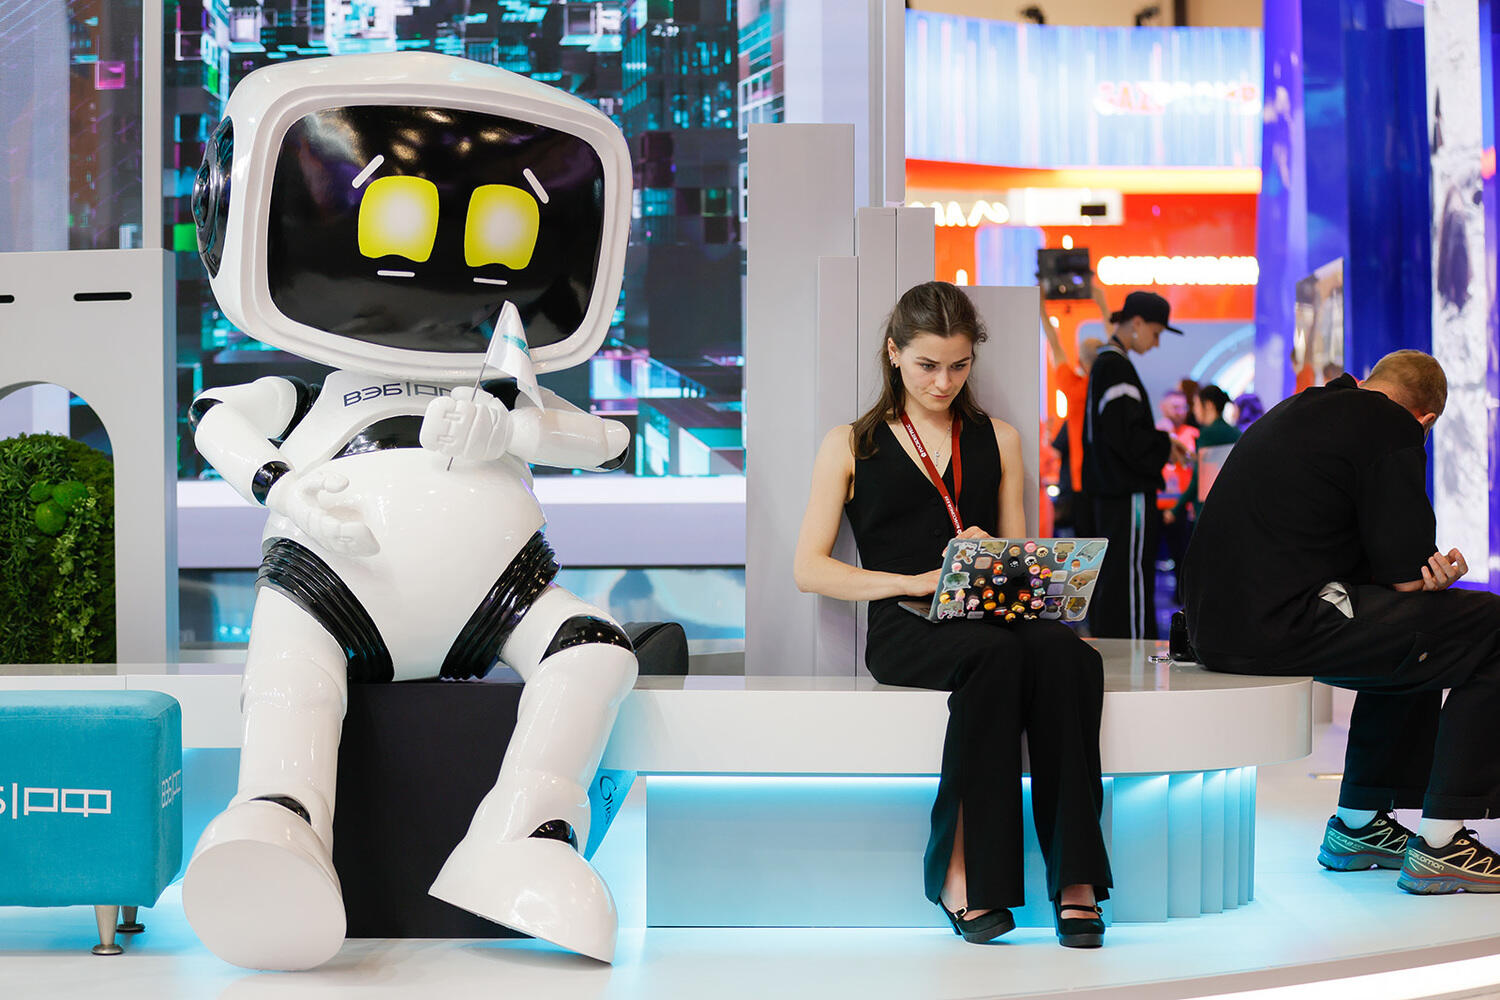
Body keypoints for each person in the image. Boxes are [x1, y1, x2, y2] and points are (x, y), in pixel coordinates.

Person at [793, 281, 1112, 948]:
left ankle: (1076, 878)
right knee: (995, 659)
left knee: (1068, 657)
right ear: (894, 353)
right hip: (906, 625)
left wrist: (992, 555)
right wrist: (912, 580)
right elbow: (810, 569)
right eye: (927, 366)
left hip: (992, 614)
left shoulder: (1000, 439)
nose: (943, 382)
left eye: (959, 366)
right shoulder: (850, 444)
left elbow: (1024, 561)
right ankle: (961, 871)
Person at [1182, 350, 1500, 893]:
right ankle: (1442, 843)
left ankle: (1359, 825)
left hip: (1215, 626)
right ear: (1425, 420)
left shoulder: (1299, 409)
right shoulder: (1391, 424)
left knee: (1419, 634)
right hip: (1280, 623)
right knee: (1490, 624)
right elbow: (1405, 577)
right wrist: (1430, 576)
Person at [1081, 290, 1189, 639]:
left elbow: (1119, 431)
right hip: (1128, 493)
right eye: (1156, 333)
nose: (1155, 343)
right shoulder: (1116, 367)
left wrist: (1160, 443)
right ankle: (1136, 653)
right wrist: (1163, 446)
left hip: (1112, 492)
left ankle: (1121, 651)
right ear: (1138, 323)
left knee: (1118, 576)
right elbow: (1127, 437)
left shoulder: (1106, 364)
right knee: (1131, 577)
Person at [1042, 284, 1106, 537]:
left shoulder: (1075, 387)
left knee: (1086, 544)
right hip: (1107, 479)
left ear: (1080, 361)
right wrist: (1102, 304)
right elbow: (1118, 343)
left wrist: (1040, 306)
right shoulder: (1109, 385)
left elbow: (1055, 345)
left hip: (1081, 480)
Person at [1163, 384, 1239, 530]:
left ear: (1208, 405)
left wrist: (1174, 510)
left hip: (1208, 509)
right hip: (1229, 505)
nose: (1194, 410)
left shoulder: (1209, 433)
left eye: (1196, 405)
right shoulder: (1234, 432)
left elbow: (1199, 477)